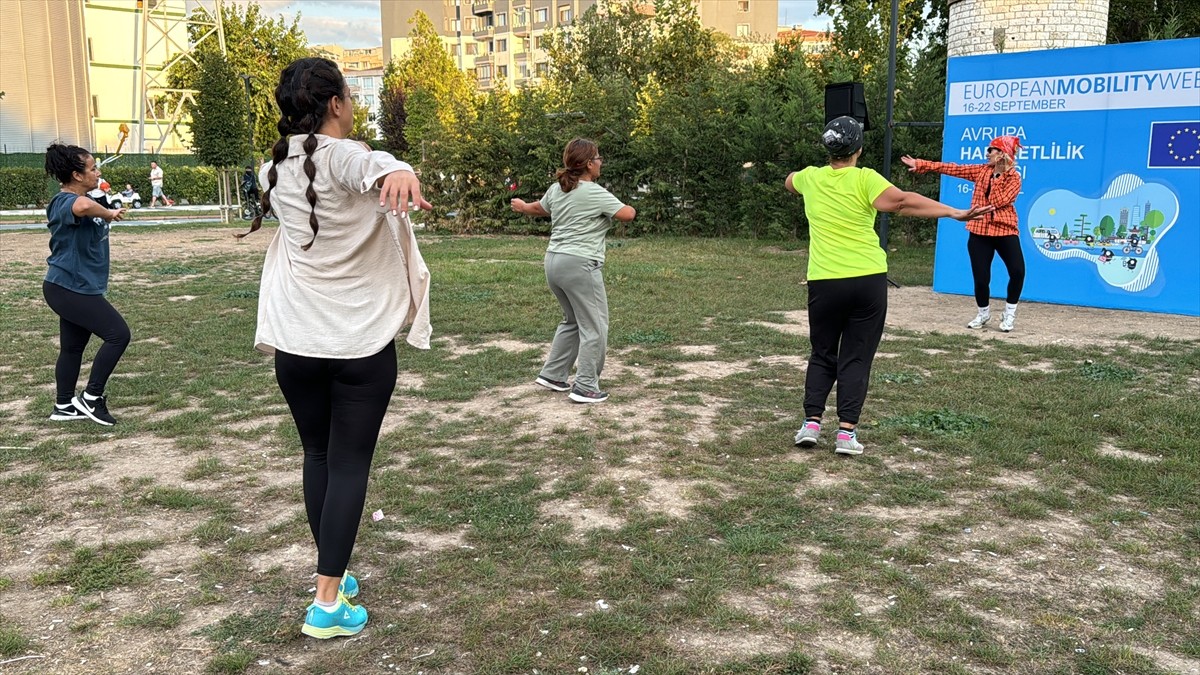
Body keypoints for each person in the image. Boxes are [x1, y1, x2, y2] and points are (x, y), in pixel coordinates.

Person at [239, 57, 432, 640]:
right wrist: (399, 168)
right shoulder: (345, 155)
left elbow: (368, 164)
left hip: (297, 344)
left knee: (318, 456)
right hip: (357, 344)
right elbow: (367, 164)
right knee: (347, 464)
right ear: (337, 103)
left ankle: (334, 572)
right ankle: (327, 603)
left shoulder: (278, 164)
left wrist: (391, 165)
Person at [786, 117, 991, 456]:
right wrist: (953, 212)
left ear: (828, 149)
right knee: (856, 355)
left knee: (822, 353)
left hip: (824, 281)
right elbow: (902, 202)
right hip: (867, 280)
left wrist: (804, 179)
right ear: (858, 149)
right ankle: (846, 434)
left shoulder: (811, 178)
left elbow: (789, 181)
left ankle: (811, 424)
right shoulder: (865, 179)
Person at [511, 138, 636, 404]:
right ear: (589, 164)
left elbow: (539, 208)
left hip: (553, 263)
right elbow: (627, 214)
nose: (601, 162)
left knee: (572, 320)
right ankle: (586, 386)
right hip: (580, 264)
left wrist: (522, 207)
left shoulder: (558, 188)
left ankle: (554, 374)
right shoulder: (595, 192)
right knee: (595, 326)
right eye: (598, 158)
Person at [42, 143, 130, 426]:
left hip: (76, 286)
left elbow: (88, 204)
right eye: (93, 168)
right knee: (118, 334)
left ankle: (64, 406)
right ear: (77, 175)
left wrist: (105, 207)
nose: (97, 172)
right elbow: (80, 206)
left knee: (72, 348)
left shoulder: (87, 198)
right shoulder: (64, 201)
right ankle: (91, 397)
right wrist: (108, 213)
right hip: (68, 286)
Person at [901, 136, 1024, 331]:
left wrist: (998, 175)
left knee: (1017, 271)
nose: (987, 153)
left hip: (1005, 230)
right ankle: (983, 313)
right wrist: (922, 164)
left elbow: (997, 201)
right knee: (981, 278)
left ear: (1002, 154)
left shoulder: (1014, 178)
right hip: (979, 230)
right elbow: (953, 168)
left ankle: (1009, 314)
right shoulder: (981, 170)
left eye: (991, 150)